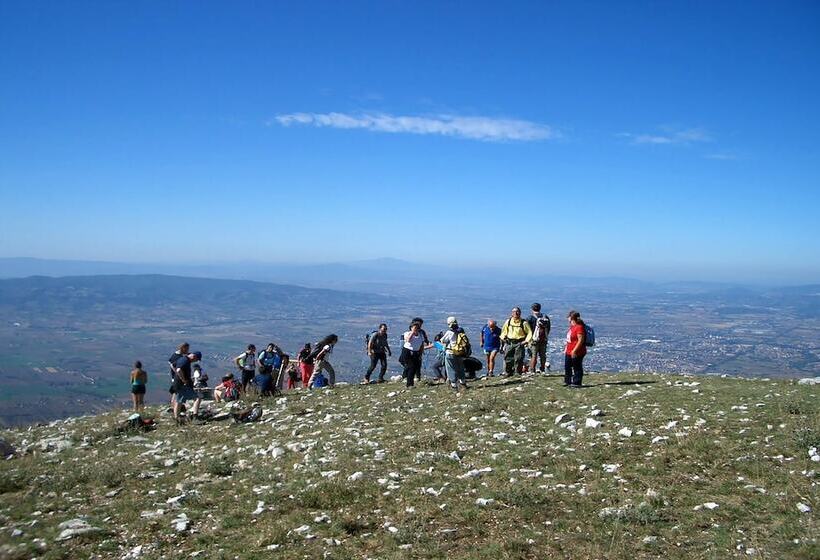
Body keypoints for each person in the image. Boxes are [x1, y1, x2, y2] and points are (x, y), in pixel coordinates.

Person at [500, 307, 532, 376]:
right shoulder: (508, 322)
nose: (516, 313)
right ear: (512, 313)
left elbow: (529, 333)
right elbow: (503, 331)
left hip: (519, 342)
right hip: (509, 342)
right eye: (514, 312)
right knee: (508, 358)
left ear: (520, 313)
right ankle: (508, 372)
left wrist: (526, 341)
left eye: (517, 312)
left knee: (519, 358)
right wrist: (503, 338)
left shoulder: (524, 323)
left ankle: (517, 372)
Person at [439, 317, 468, 392]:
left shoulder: (449, 332)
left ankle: (454, 386)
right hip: (460, 352)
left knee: (451, 369)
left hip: (450, 352)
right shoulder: (461, 331)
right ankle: (463, 384)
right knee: (460, 368)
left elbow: (443, 340)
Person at [173, 351, 202, 422]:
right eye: (197, 359)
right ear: (194, 356)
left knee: (179, 401)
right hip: (183, 384)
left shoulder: (182, 359)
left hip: (177, 383)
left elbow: (173, 365)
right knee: (197, 398)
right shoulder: (186, 360)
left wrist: (176, 376)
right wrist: (183, 380)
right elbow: (179, 370)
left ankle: (177, 419)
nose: (196, 361)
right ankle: (195, 417)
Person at [565, 310, 587, 388]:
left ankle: (577, 382)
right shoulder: (572, 327)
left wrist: (574, 350)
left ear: (571, 318)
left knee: (577, 366)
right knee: (567, 366)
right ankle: (568, 381)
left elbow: (580, 340)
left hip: (577, 351)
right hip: (569, 350)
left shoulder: (579, 327)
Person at [528, 303, 551, 374]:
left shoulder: (530, 318)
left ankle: (532, 370)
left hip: (534, 339)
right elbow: (548, 327)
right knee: (543, 355)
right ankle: (542, 369)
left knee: (533, 355)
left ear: (532, 309)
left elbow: (527, 329)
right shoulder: (545, 317)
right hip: (543, 339)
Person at [400, 322, 425, 387]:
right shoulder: (407, 333)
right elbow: (408, 340)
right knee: (411, 366)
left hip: (416, 352)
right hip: (407, 352)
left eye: (417, 328)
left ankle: (410, 383)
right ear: (411, 328)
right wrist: (412, 333)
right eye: (414, 328)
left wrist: (420, 353)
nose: (416, 329)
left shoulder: (420, 335)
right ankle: (409, 384)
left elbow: (422, 344)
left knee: (414, 368)